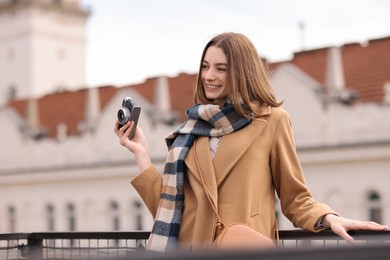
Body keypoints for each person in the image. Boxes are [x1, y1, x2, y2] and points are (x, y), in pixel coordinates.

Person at [114, 32, 388, 252]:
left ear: (242, 72)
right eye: (206, 67)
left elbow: (295, 198)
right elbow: (169, 208)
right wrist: (142, 153)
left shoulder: (272, 121)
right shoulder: (189, 131)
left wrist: (329, 218)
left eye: (221, 68)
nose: (209, 76)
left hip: (241, 249)